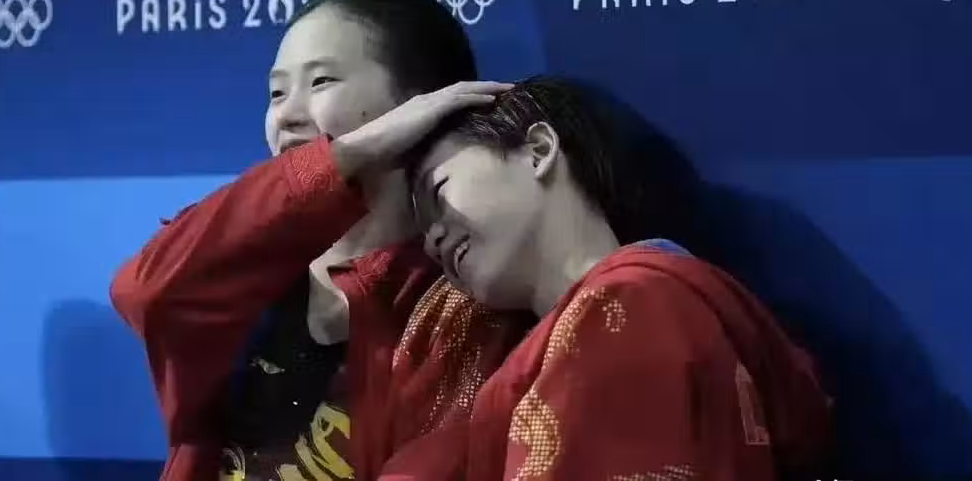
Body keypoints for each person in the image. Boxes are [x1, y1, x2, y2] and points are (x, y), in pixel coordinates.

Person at [110, 0, 528, 481]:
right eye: (276, 93)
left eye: (321, 81)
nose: (285, 115)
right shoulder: (242, 271)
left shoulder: (463, 302)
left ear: (420, 106)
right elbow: (146, 290)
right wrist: (348, 154)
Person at [347, 76, 833, 480]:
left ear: (538, 150)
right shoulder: (513, 344)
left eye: (439, 192)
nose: (432, 241)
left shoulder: (633, 305)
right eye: (424, 230)